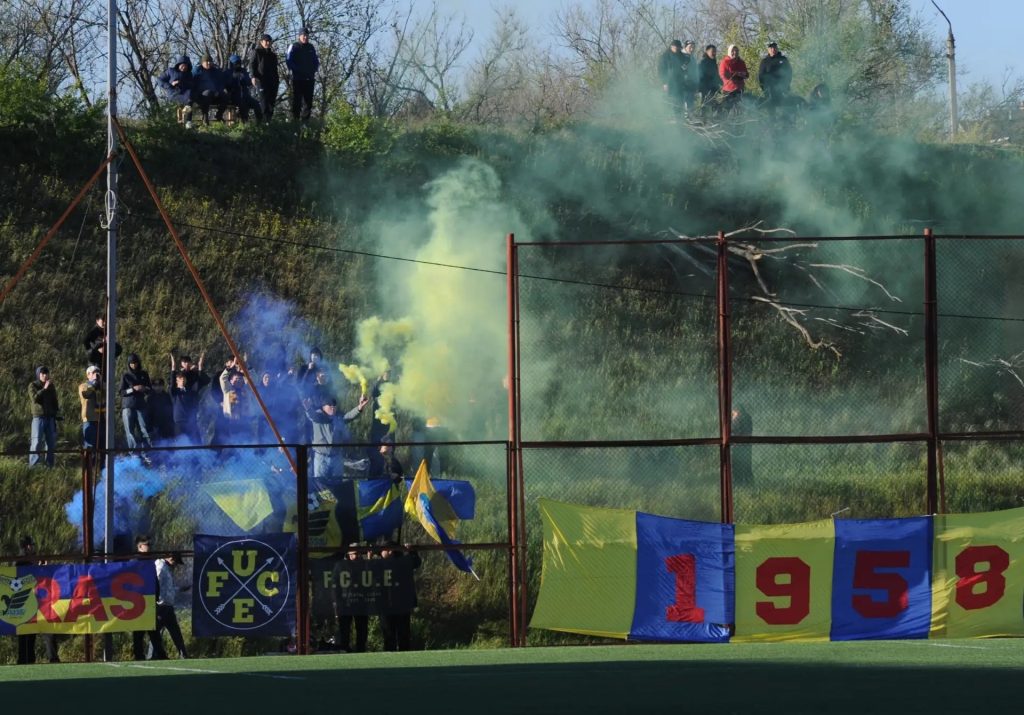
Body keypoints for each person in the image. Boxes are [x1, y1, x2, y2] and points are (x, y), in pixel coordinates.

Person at [305, 393, 368, 482]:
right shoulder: (317, 416)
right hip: (321, 457)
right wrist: (308, 409)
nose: (333, 407)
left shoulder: (338, 417)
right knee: (320, 483)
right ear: (323, 407)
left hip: (336, 457)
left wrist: (359, 407)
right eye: (330, 405)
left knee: (338, 483)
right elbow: (311, 415)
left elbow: (349, 416)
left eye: (334, 405)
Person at [15, 536, 59, 664]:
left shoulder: (34, 559)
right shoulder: (21, 562)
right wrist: (37, 566)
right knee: (27, 632)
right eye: (31, 545)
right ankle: (26, 659)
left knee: (48, 630)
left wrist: (42, 566)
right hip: (29, 602)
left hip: (42, 601)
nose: (33, 548)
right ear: (27, 547)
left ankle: (51, 658)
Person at [378, 542, 420, 652]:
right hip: (386, 605)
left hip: (401, 604)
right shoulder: (379, 564)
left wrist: (412, 551)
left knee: (403, 635)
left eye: (383, 550)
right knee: (389, 635)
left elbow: (416, 562)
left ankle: (403, 658)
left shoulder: (402, 562)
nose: (381, 553)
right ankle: (391, 657)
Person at [132, 535, 168, 660]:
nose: (150, 547)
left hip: (149, 600)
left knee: (153, 630)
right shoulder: (134, 562)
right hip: (138, 601)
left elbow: (154, 580)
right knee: (139, 630)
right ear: (140, 547)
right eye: (147, 545)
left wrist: (156, 596)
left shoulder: (150, 562)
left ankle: (161, 655)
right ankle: (139, 655)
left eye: (150, 545)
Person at [155, 552, 189, 659]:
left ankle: (183, 653)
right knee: (156, 632)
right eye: (175, 562)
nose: (175, 565)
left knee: (174, 631)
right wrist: (157, 600)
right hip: (160, 605)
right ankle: (155, 655)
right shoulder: (160, 567)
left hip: (168, 605)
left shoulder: (167, 569)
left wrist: (180, 589)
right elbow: (156, 584)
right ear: (170, 558)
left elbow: (169, 588)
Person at [336, 544, 368, 653]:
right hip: (345, 603)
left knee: (362, 629)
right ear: (348, 554)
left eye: (358, 553)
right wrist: (337, 602)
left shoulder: (365, 564)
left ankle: (361, 650)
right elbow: (335, 585)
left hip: (361, 602)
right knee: (344, 629)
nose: (356, 556)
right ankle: (344, 650)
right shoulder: (341, 566)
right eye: (354, 553)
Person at [121, 353, 153, 458]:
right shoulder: (125, 375)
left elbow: (150, 389)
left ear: (138, 363)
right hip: (128, 406)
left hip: (141, 405)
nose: (134, 365)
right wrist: (133, 389)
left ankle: (147, 453)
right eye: (131, 363)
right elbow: (122, 392)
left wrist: (143, 388)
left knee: (144, 429)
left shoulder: (144, 374)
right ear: (128, 364)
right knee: (130, 431)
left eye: (135, 363)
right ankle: (134, 454)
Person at [286, 27, 319, 124]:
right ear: (299, 36)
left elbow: (315, 60)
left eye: (306, 35)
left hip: (309, 79)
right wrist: (297, 70)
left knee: (308, 102)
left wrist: (314, 70)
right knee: (297, 101)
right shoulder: (294, 46)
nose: (305, 37)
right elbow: (288, 60)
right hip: (298, 79)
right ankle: (295, 121)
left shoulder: (311, 47)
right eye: (303, 35)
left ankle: (305, 123)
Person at [28, 365, 58, 468]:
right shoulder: (33, 385)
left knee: (51, 443)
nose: (45, 375)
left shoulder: (51, 386)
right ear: (38, 374)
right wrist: (44, 389)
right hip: (38, 417)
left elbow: (54, 401)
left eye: (46, 373)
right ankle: (33, 466)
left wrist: (56, 413)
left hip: (50, 417)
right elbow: (34, 398)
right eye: (42, 373)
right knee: (36, 441)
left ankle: (49, 466)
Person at [156, 56, 196, 128]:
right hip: (174, 93)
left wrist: (183, 83)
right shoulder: (170, 71)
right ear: (179, 64)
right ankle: (181, 123)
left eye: (186, 66)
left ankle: (188, 122)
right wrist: (170, 85)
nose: (184, 67)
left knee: (190, 99)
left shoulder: (189, 74)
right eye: (183, 65)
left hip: (185, 94)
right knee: (181, 104)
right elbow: (160, 79)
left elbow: (192, 85)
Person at [657, 39, 693, 117]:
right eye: (675, 47)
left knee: (680, 101)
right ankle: (669, 117)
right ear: (671, 47)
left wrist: (685, 67)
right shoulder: (665, 57)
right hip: (669, 83)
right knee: (670, 100)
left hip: (680, 83)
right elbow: (661, 70)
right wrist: (664, 83)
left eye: (679, 47)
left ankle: (679, 118)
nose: (677, 49)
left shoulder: (681, 56)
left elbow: (686, 67)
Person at [250, 33, 280, 121]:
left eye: (269, 41)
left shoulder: (273, 55)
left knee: (271, 103)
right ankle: (262, 122)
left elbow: (275, 69)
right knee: (263, 101)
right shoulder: (257, 52)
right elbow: (252, 65)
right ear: (261, 42)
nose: (268, 43)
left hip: (272, 82)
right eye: (266, 41)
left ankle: (268, 121)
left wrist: (277, 81)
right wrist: (253, 76)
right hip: (261, 81)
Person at [225, 54, 262, 122]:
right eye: (236, 63)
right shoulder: (228, 72)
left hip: (246, 95)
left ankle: (260, 123)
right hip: (234, 96)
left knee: (256, 104)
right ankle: (244, 122)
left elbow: (248, 82)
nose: (238, 65)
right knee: (243, 103)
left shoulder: (243, 71)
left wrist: (252, 81)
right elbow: (226, 85)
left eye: (239, 63)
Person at [194, 54, 228, 124]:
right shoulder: (197, 71)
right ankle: (205, 116)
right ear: (202, 62)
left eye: (210, 61)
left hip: (214, 95)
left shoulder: (216, 71)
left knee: (225, 95)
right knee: (207, 93)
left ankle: (219, 115)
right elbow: (194, 84)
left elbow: (220, 84)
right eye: (206, 61)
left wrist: (218, 91)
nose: (209, 63)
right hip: (201, 96)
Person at [758, 42, 793, 110]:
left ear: (777, 48)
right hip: (769, 90)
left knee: (784, 107)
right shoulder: (764, 61)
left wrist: (786, 84)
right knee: (771, 108)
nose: (773, 49)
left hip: (782, 88)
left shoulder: (783, 59)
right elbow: (761, 76)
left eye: (774, 47)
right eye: (771, 48)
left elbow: (789, 72)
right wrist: (764, 88)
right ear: (768, 50)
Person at [79, 364, 104, 449]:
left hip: (101, 418)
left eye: (98, 372)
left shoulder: (102, 386)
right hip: (89, 418)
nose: (96, 374)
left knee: (102, 446)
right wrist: (94, 385)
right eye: (94, 373)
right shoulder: (83, 386)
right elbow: (86, 394)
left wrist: (100, 384)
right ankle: (88, 458)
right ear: (88, 375)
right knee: (89, 445)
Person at [719, 44, 749, 112]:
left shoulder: (741, 62)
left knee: (739, 110)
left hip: (739, 89)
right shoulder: (725, 62)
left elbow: (747, 74)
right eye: (733, 51)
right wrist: (736, 74)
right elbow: (722, 74)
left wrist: (743, 74)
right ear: (729, 51)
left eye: (736, 51)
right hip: (728, 90)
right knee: (726, 109)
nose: (735, 52)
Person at [147, 378, 175, 445]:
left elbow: (171, 411)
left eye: (160, 385)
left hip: (167, 426)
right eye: (155, 385)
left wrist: (172, 425)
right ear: (152, 386)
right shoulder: (150, 398)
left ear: (163, 386)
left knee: (169, 445)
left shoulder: (167, 396)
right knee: (157, 445)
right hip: (155, 426)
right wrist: (150, 429)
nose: (158, 387)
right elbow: (148, 414)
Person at [731, 405, 753, 486]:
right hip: (747, 445)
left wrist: (734, 420)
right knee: (747, 464)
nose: (732, 414)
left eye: (733, 412)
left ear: (737, 411)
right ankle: (748, 481)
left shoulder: (738, 419)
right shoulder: (748, 417)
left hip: (738, 445)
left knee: (737, 464)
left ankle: (738, 482)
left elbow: (734, 431)